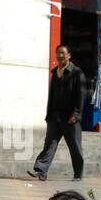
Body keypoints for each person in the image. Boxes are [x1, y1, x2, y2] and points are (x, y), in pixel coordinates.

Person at [29, 44, 87, 181]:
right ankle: (41, 171)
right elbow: (52, 95)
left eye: (63, 53)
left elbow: (81, 96)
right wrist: (49, 115)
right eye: (58, 53)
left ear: (69, 55)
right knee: (49, 144)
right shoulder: (55, 73)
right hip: (55, 117)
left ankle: (78, 174)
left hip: (70, 118)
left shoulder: (77, 73)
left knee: (75, 147)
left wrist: (76, 114)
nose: (60, 56)